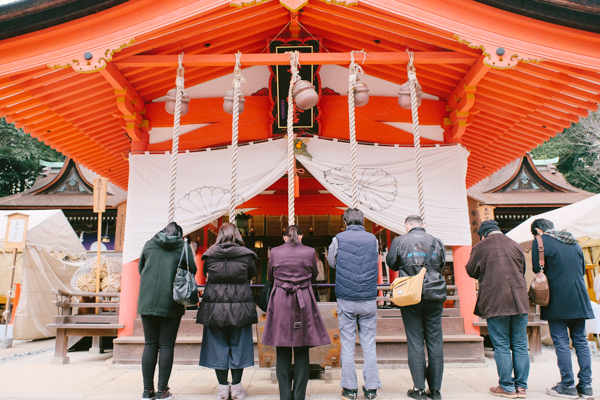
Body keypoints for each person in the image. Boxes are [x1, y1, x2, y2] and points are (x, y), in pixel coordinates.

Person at [262, 225, 331, 400]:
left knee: (282, 348)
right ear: (300, 236)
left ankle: (285, 396)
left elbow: (270, 275)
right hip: (303, 299)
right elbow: (314, 275)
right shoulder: (309, 252)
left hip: (281, 300)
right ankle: (299, 396)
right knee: (302, 349)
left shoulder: (276, 252)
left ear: (285, 237)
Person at [466, 220, 530, 399]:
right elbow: (522, 270)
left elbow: (471, 271)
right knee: (520, 344)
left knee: (501, 345)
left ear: (483, 234)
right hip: (519, 300)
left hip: (496, 301)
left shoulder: (481, 246)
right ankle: (521, 388)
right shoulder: (514, 244)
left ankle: (507, 387)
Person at [531, 218, 594, 400]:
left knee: (561, 341)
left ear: (538, 230)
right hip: (579, 297)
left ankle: (567, 385)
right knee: (580, 340)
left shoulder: (541, 241)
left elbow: (537, 268)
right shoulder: (573, 241)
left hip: (557, 298)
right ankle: (586, 385)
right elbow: (581, 269)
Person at [386, 215, 446, 400]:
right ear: (423, 225)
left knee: (415, 340)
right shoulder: (437, 242)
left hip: (411, 294)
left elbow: (392, 263)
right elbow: (442, 265)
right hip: (434, 293)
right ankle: (435, 390)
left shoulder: (400, 241)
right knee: (435, 340)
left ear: (406, 226)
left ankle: (419, 389)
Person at [196, 222, 258, 400]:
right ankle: (237, 390)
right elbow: (251, 274)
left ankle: (223, 390)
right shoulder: (246, 256)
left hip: (214, 307)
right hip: (240, 307)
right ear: (236, 235)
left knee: (217, 346)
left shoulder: (210, 255)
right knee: (239, 345)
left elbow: (206, 273)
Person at [138, 221, 197, 400]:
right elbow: (192, 270)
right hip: (171, 302)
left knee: (150, 344)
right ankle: (163, 390)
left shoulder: (149, 244)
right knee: (166, 346)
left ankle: (147, 391)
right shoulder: (183, 247)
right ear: (179, 234)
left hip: (147, 301)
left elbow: (141, 269)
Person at [327, 208, 381, 400]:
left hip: (346, 298)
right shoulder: (373, 239)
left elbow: (332, 262)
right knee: (369, 344)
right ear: (363, 222)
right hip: (367, 298)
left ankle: (350, 389)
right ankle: (372, 388)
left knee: (348, 345)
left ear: (345, 222)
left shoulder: (338, 239)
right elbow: (374, 260)